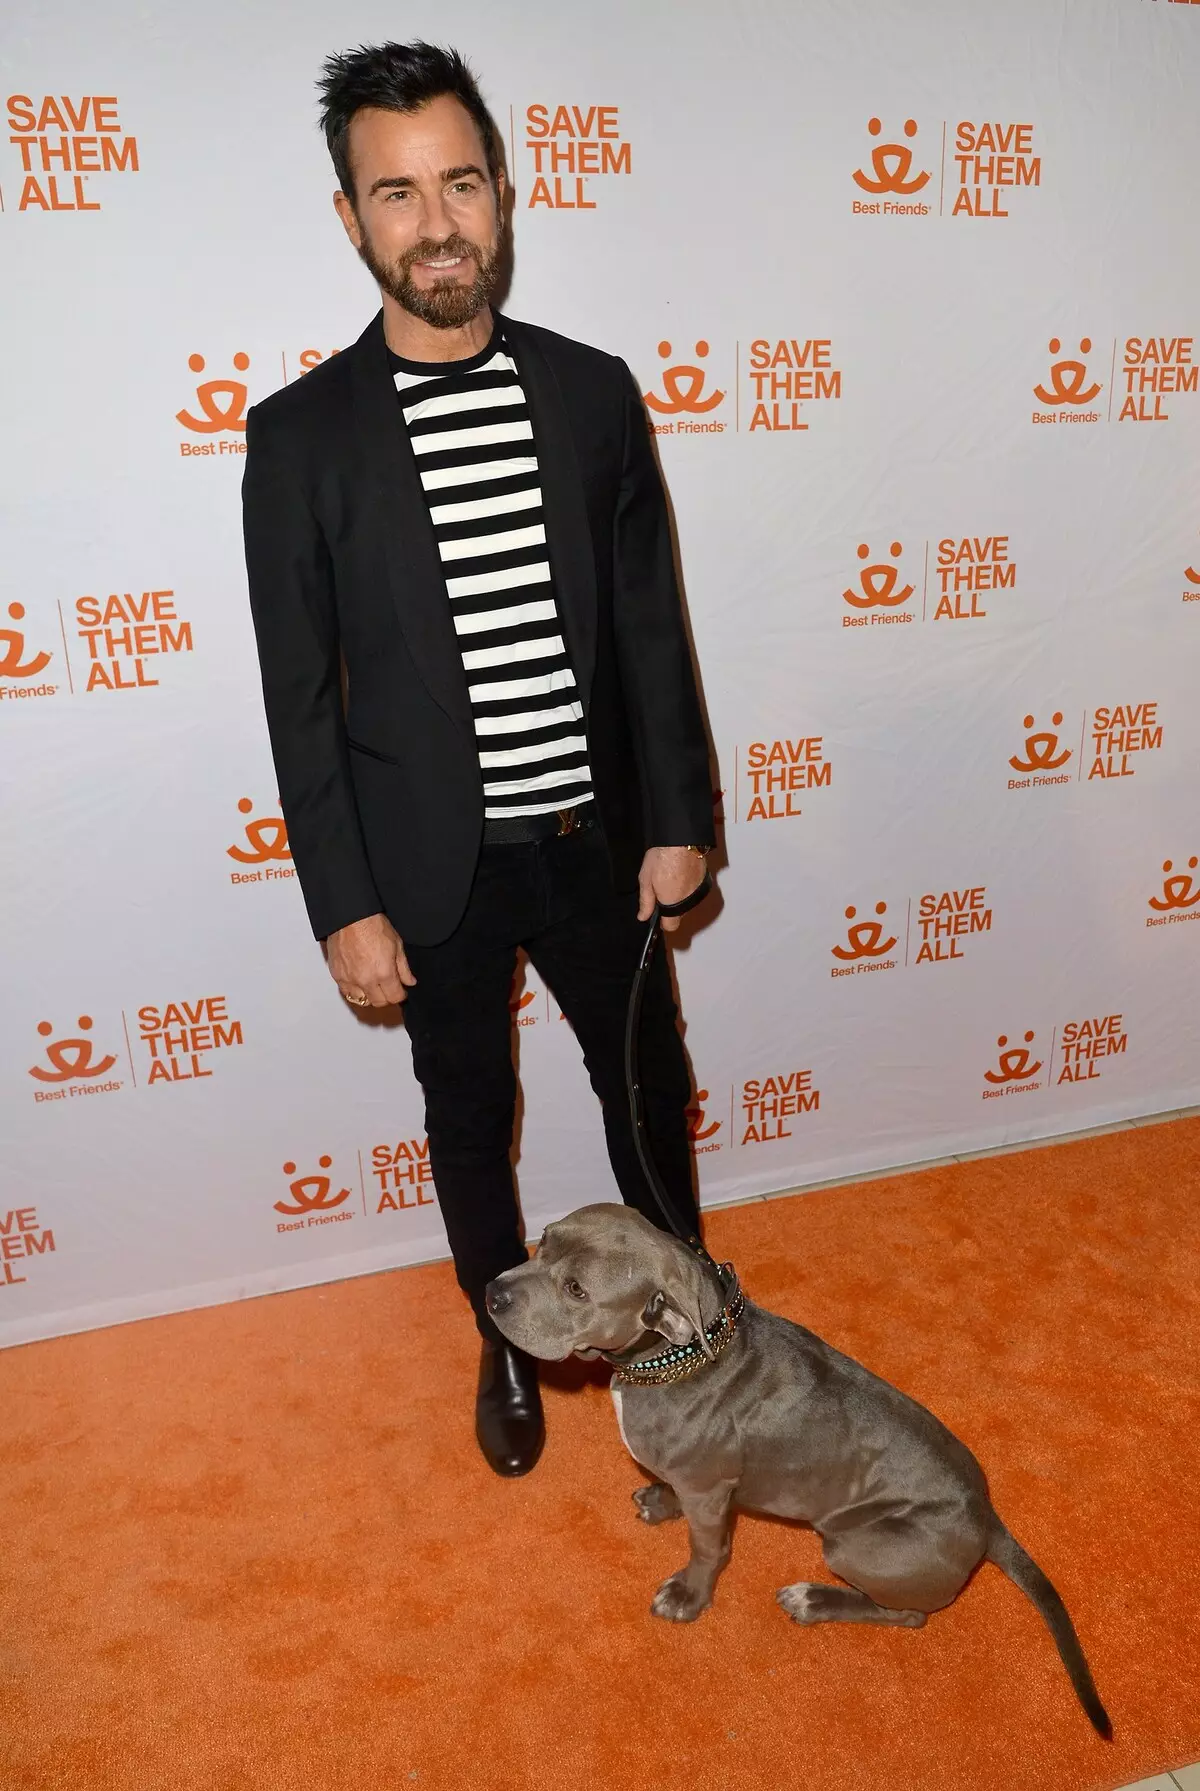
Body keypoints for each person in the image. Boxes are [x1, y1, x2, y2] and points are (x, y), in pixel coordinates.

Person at [241, 41, 715, 1479]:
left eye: (460, 181)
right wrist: (343, 902)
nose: (436, 221)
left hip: (594, 841)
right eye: (398, 193)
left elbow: (649, 620)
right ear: (351, 219)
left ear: (503, 192)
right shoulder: (301, 438)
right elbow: (299, 700)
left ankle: (689, 1332)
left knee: (644, 1091)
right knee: (467, 1117)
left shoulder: (590, 393)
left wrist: (679, 817)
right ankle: (507, 1344)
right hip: (426, 870)